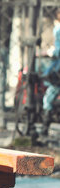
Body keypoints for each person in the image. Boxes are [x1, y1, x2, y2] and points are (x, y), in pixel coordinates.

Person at [42, 8, 60, 137]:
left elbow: (59, 51)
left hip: (58, 70)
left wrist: (51, 52)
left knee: (49, 96)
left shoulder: (58, 30)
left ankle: (44, 128)